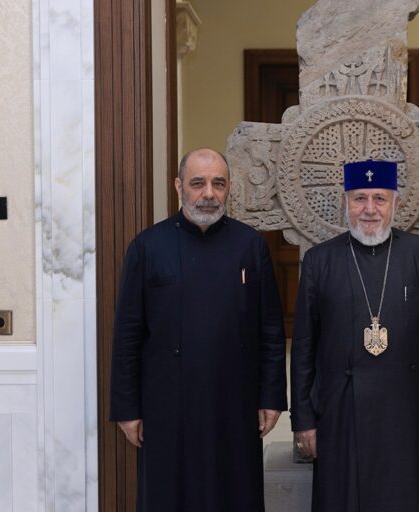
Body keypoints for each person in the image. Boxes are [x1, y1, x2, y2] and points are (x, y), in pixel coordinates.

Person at [109, 148, 287, 512]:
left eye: (218, 183)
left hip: (234, 402)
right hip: (166, 406)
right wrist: (127, 408)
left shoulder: (250, 245)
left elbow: (270, 329)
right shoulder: (147, 247)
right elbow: (128, 334)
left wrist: (271, 397)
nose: (209, 193)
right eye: (198, 183)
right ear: (179, 187)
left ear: (229, 187)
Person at [290, 159, 419, 512]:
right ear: (345, 202)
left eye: (379, 198)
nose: (369, 209)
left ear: (396, 202)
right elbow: (304, 347)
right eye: (359, 198)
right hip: (340, 413)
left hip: (406, 411)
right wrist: (303, 418)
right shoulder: (320, 261)